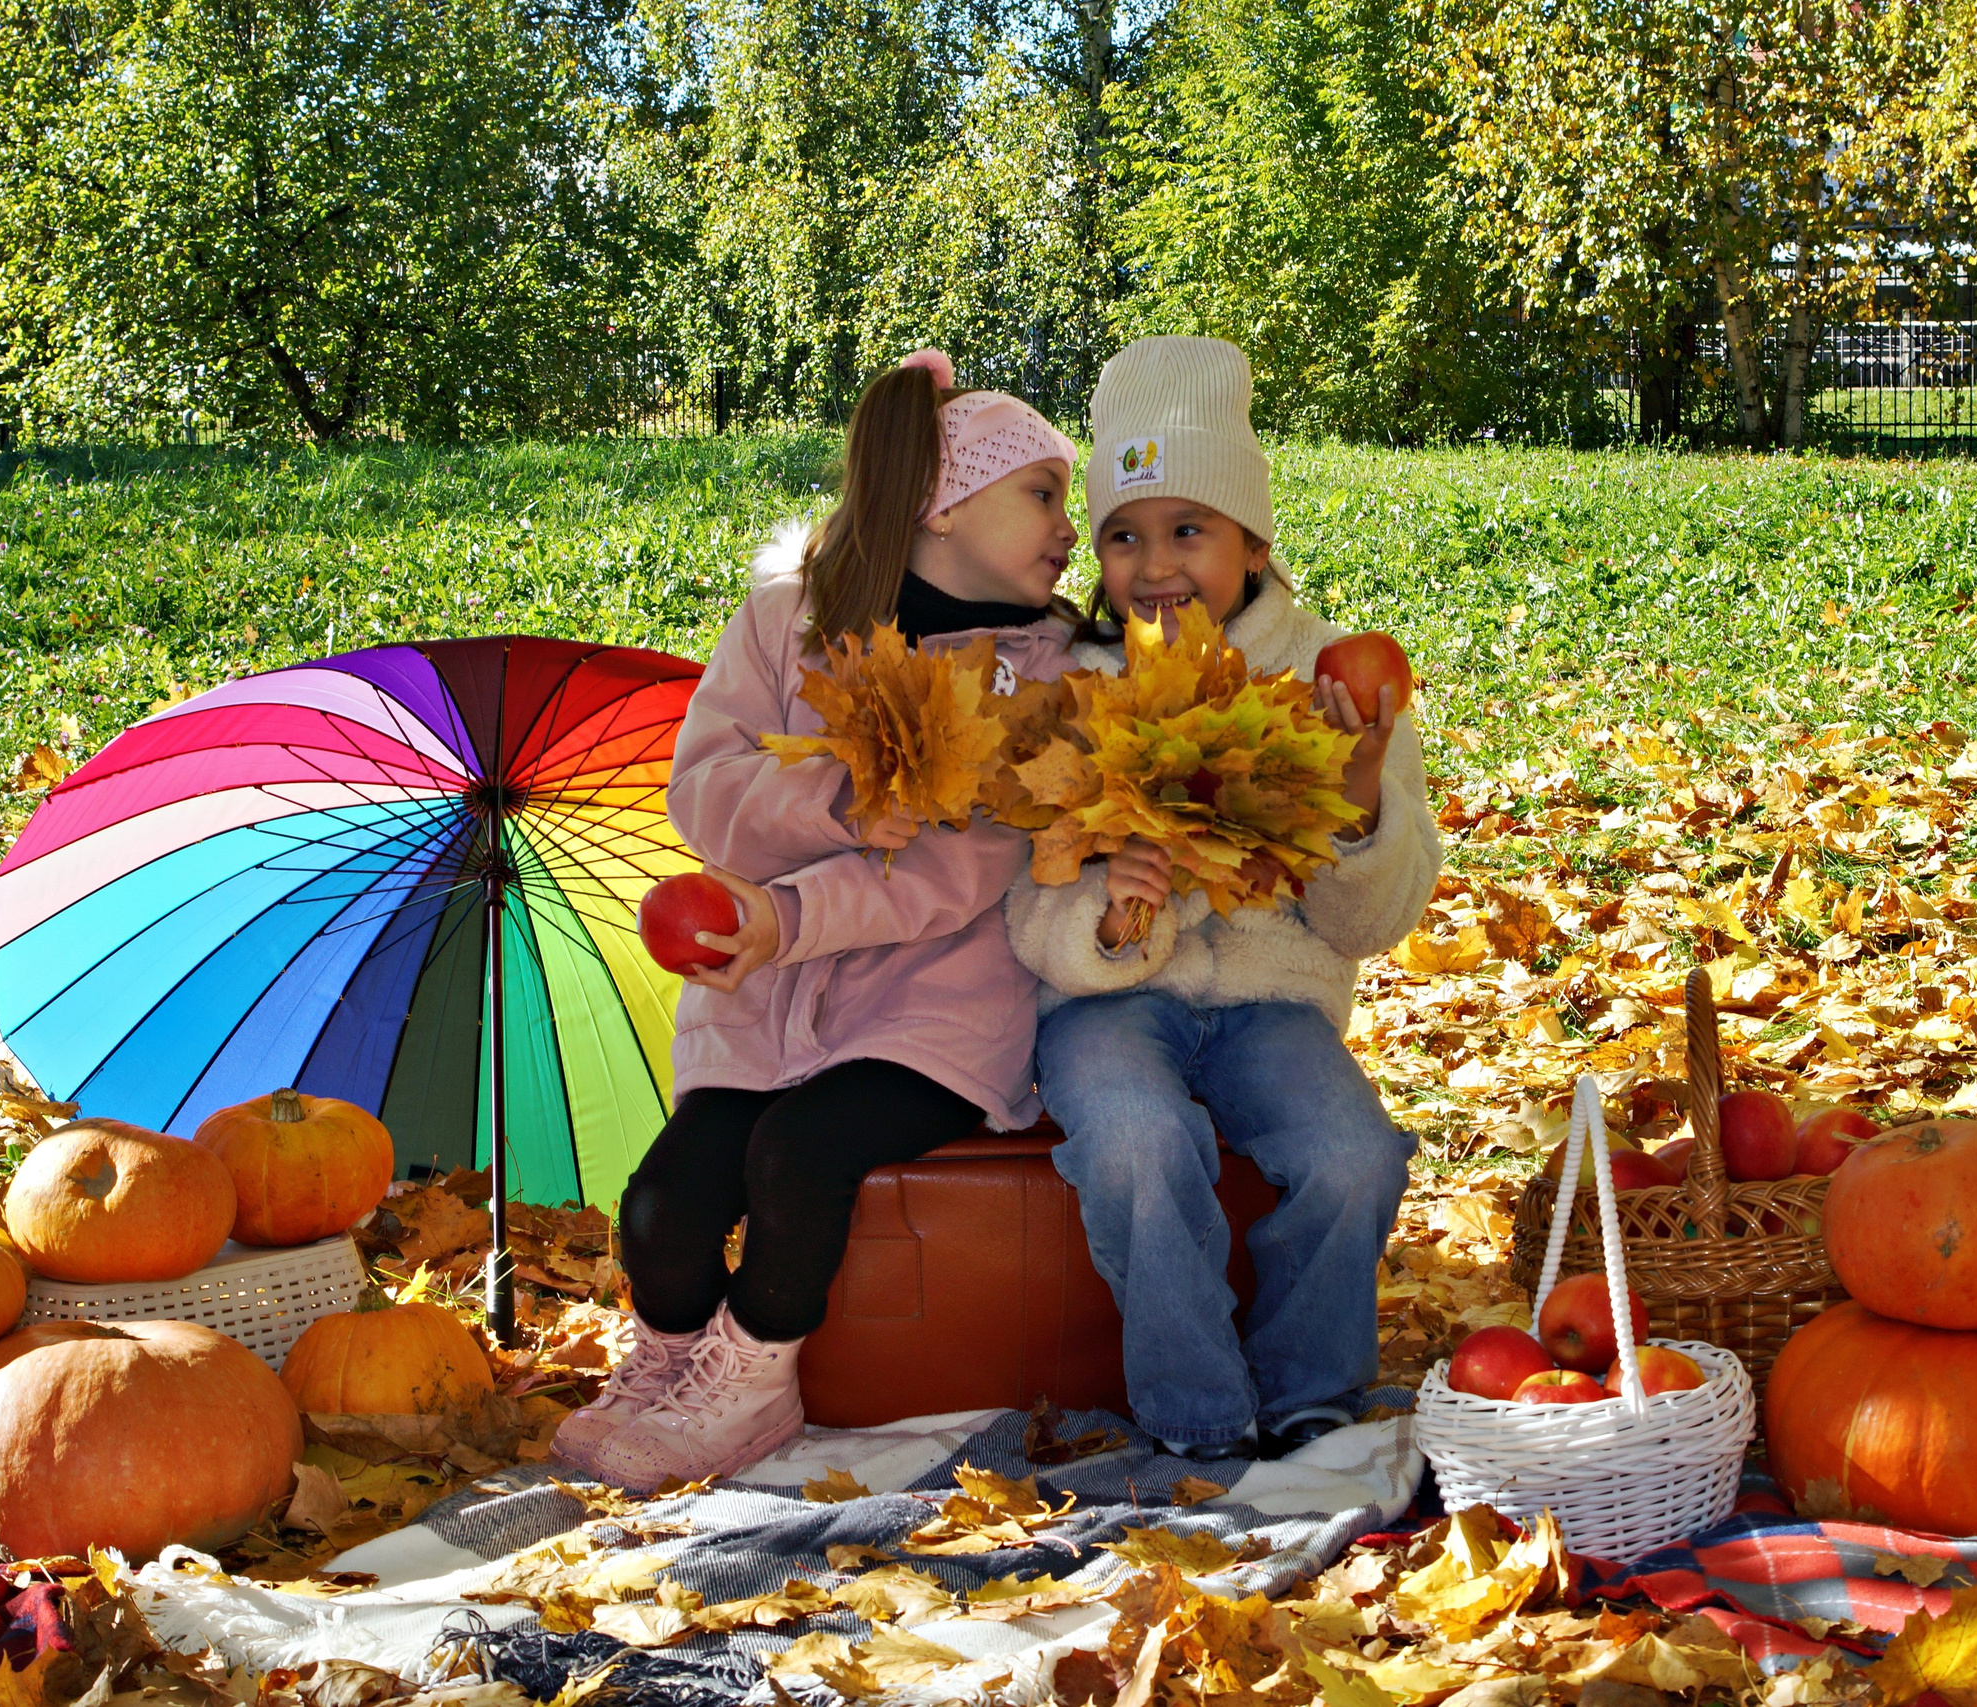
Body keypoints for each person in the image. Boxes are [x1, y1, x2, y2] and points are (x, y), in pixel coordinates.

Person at [552, 350, 1082, 1491]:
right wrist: (844, 795)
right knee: (665, 1202)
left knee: (799, 1156)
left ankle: (753, 1384)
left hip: (932, 1006)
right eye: (1042, 494)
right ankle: (668, 1363)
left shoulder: (1030, 682)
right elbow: (703, 791)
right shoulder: (782, 624)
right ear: (945, 506)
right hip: (762, 997)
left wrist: (785, 917)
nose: (1067, 528)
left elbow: (953, 875)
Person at [1006, 336, 1440, 1462]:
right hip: (1108, 1003)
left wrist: (1351, 801)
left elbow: (1371, 926)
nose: (1155, 565)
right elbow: (1023, 895)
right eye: (1123, 535)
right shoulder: (1071, 687)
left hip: (1272, 998)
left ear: (1253, 539)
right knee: (1137, 1142)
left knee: (1353, 1156)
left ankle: (1310, 1387)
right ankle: (1198, 1412)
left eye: (1188, 530)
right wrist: (1107, 918)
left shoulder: (1333, 678)